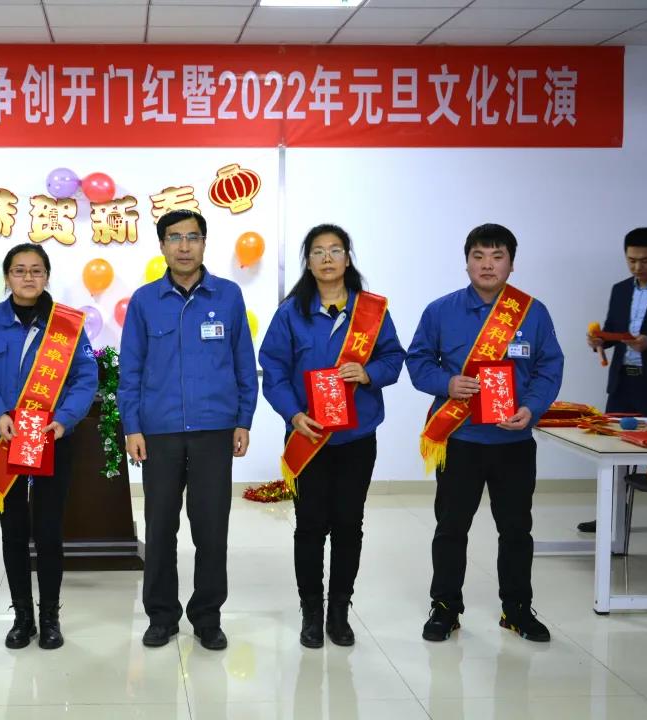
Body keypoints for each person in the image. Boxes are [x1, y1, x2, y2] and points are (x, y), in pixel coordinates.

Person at [406, 223, 564, 643]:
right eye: (478, 256)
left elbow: (550, 366)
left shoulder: (532, 312)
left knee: (516, 530)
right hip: (460, 441)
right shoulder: (440, 311)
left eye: (497, 256)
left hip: (514, 443)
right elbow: (417, 361)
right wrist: (447, 383)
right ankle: (445, 607)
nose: (487, 265)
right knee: (450, 528)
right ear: (467, 262)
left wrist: (531, 408)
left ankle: (516, 609)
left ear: (511, 264)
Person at [258, 224, 405, 648]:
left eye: (335, 250)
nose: (327, 258)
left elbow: (394, 358)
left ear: (347, 258)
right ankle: (311, 611)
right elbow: (274, 369)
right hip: (307, 436)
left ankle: (339, 611)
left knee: (348, 524)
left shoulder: (371, 310)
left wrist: (369, 372)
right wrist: (294, 414)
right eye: (318, 251)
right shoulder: (291, 313)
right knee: (309, 526)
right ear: (307, 262)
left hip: (356, 437)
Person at [118, 209, 258, 651]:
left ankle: (207, 617)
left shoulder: (228, 296)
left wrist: (243, 418)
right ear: (162, 245)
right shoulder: (145, 301)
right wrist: (132, 427)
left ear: (204, 243)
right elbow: (131, 370)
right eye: (175, 238)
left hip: (214, 430)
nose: (184, 246)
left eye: (192, 237)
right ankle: (161, 616)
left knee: (212, 529)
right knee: (160, 528)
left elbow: (243, 362)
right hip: (159, 433)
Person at [0, 243, 96, 650]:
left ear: (47, 276)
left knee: (50, 531)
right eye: (19, 270)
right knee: (13, 530)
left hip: (54, 438)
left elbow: (85, 377)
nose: (28, 277)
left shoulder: (67, 324)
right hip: (2, 439)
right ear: (6, 278)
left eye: (36, 270)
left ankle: (50, 616)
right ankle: (22, 617)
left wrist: (65, 419)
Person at [579, 228, 647, 532]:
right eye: (631, 260)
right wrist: (599, 340)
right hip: (622, 382)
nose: (637, 267)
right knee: (611, 447)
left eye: (644, 260)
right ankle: (611, 515)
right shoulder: (620, 289)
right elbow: (613, 330)